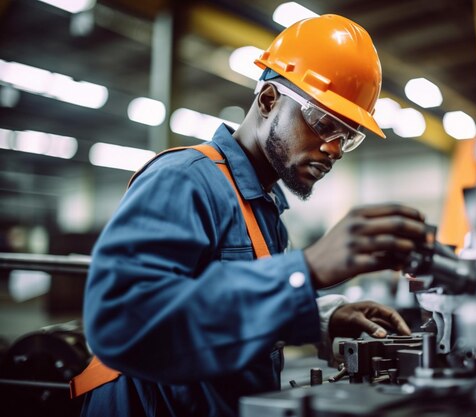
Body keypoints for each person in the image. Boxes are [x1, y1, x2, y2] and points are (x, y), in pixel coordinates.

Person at [77, 14, 430, 417]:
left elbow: (213, 312)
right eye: (324, 122)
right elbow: (119, 323)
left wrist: (317, 315)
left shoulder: (263, 209)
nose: (333, 149)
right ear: (267, 101)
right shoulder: (184, 180)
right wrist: (307, 269)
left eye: (347, 137)